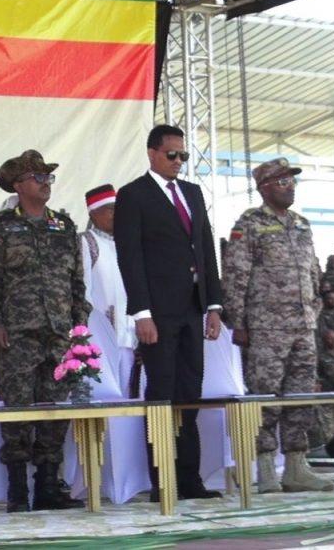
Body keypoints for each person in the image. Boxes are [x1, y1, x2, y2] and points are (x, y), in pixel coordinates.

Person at [114, 124, 224, 501]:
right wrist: (141, 312)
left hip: (193, 308)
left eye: (183, 156)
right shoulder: (133, 195)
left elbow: (205, 249)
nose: (178, 161)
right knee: (161, 391)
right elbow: (130, 257)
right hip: (158, 312)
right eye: (172, 154)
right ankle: (163, 480)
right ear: (152, 153)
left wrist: (213, 305)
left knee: (190, 393)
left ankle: (190, 479)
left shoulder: (192, 192)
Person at [0, 149, 90, 512]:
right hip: (18, 332)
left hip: (59, 332)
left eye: (48, 177)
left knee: (55, 408)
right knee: (18, 408)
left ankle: (48, 485)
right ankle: (17, 489)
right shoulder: (2, 227)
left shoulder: (64, 226)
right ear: (18, 185)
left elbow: (77, 282)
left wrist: (79, 325)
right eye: (37, 178)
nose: (45, 184)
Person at [222, 158, 333, 493]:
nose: (290, 187)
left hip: (303, 327)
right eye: (282, 182)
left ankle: (296, 468)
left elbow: (312, 272)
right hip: (266, 328)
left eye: (291, 181)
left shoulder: (302, 224)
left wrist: (314, 309)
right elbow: (236, 275)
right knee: (265, 396)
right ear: (264, 188)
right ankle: (266, 468)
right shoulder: (250, 224)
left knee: (300, 397)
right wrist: (238, 322)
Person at [80, 184, 136, 393]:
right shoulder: (87, 241)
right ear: (94, 213)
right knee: (103, 392)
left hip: (129, 335)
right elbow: (83, 289)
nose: (117, 215)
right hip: (99, 336)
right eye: (111, 210)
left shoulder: (127, 243)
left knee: (127, 393)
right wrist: (87, 331)